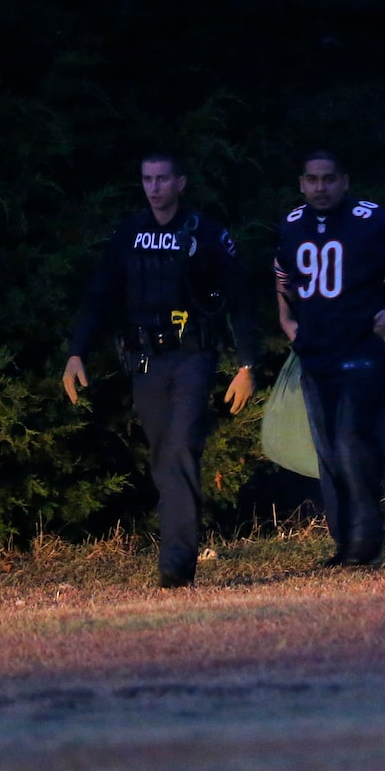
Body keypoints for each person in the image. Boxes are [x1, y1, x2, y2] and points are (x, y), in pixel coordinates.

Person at [63, 153, 259, 589]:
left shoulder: (207, 234)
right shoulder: (129, 234)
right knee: (162, 456)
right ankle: (176, 556)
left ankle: (175, 566)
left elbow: (241, 299)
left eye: (163, 179)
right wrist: (77, 352)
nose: (154, 187)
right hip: (146, 360)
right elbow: (100, 296)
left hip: (193, 355)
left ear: (180, 183)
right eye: (147, 179)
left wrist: (247, 364)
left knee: (181, 448)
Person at [274, 150, 385, 567]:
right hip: (316, 348)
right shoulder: (291, 225)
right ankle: (344, 543)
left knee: (351, 436)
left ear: (344, 181)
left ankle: (367, 536)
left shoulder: (371, 220)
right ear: (301, 183)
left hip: (362, 346)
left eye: (328, 179)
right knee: (326, 447)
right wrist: (286, 319)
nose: (320, 188)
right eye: (312, 179)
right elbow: (283, 276)